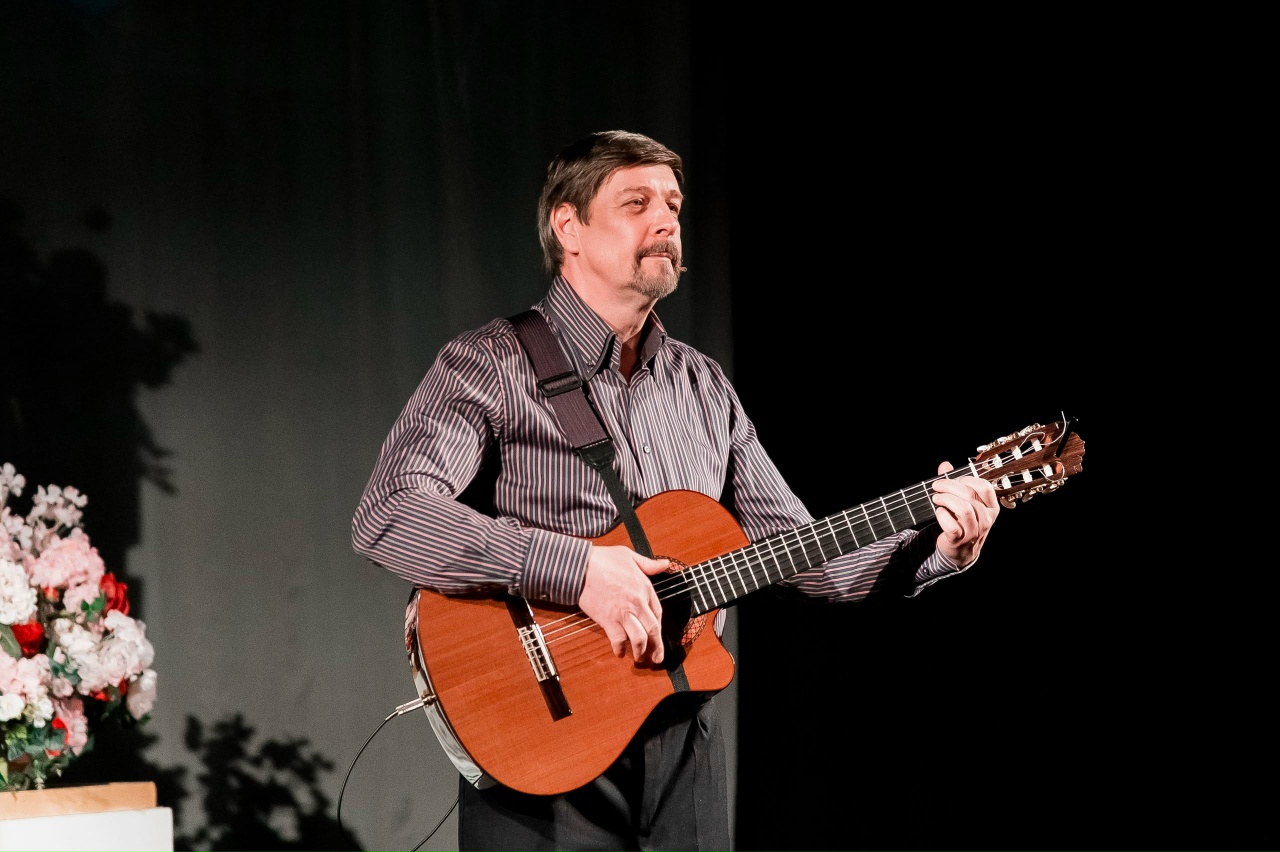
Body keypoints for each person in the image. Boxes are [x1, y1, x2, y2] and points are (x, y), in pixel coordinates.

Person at [351, 129, 1001, 852]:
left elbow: (807, 557)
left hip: (683, 743)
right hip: (542, 741)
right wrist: (579, 570)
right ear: (569, 226)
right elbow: (390, 512)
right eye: (637, 203)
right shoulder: (490, 363)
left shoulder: (703, 385)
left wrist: (937, 546)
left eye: (673, 205)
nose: (666, 221)